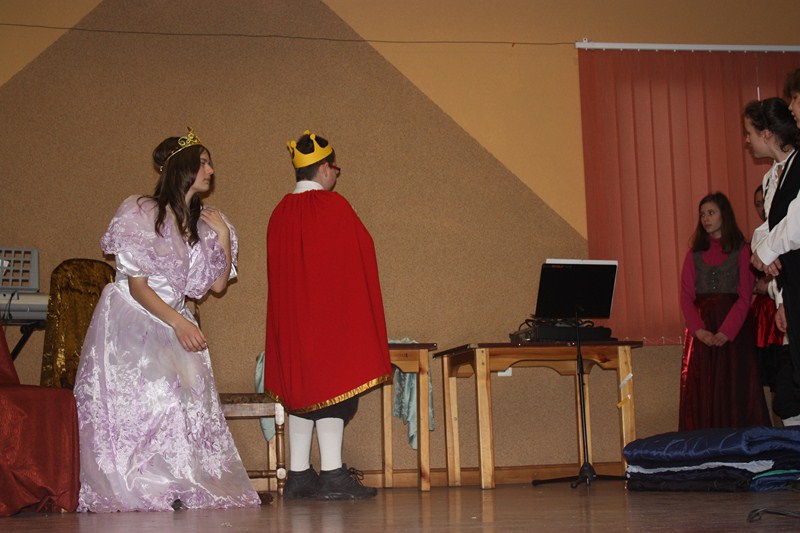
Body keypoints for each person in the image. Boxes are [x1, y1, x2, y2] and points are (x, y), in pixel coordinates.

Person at [73, 128, 260, 512]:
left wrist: (224, 237)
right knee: (152, 401)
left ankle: (176, 482)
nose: (211, 170)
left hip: (174, 317)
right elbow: (138, 286)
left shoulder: (207, 223)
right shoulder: (141, 212)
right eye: (203, 162)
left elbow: (217, 286)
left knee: (186, 403)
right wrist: (179, 323)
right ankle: (141, 484)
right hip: (134, 316)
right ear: (183, 167)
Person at [264, 130, 392, 500]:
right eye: (335, 168)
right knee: (334, 390)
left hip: (292, 325)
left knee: (300, 391)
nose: (336, 174)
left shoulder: (279, 212)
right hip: (327, 320)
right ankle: (333, 472)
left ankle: (299, 475)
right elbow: (360, 253)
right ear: (323, 168)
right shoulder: (333, 207)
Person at [679, 192, 770, 430]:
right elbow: (686, 297)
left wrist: (726, 332)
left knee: (734, 388)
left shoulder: (742, 250)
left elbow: (745, 296)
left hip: (734, 332)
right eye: (702, 215)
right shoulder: (693, 254)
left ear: (724, 215)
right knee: (704, 389)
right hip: (703, 333)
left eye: (711, 213)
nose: (705, 219)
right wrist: (699, 330)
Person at [751, 71, 800, 426]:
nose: (792, 107)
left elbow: (794, 223)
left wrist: (766, 253)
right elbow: (767, 229)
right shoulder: (772, 177)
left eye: (795, 98)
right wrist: (780, 296)